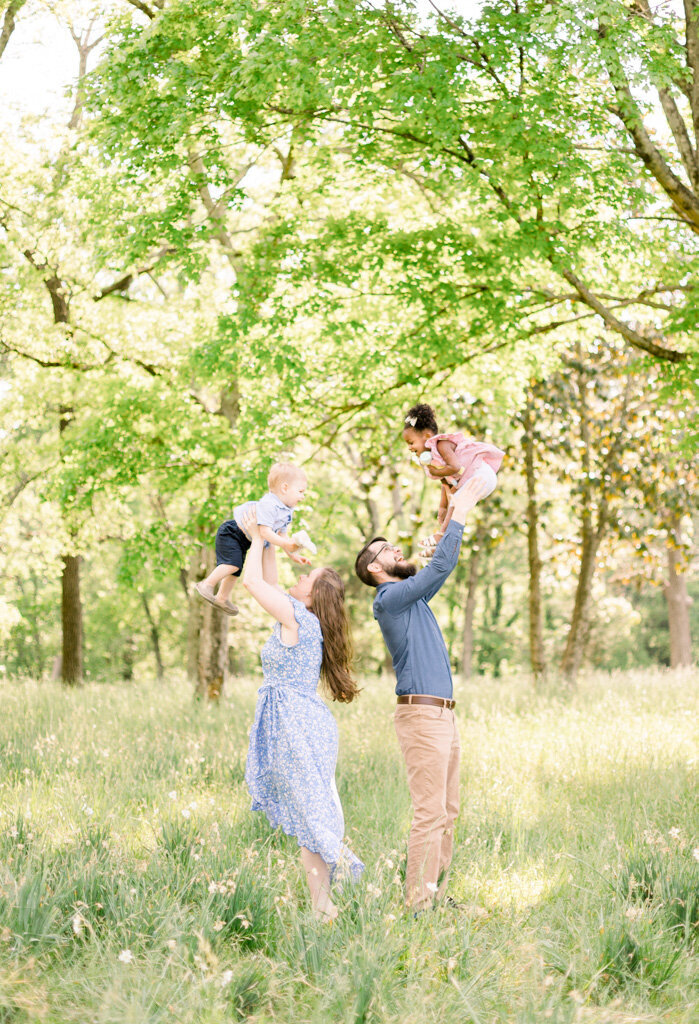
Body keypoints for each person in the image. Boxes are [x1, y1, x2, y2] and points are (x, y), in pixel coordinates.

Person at [354, 476, 487, 913]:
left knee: (448, 812)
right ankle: (416, 905)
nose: (397, 551)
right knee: (429, 813)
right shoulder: (389, 599)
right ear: (376, 569)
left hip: (443, 716)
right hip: (422, 717)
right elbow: (440, 567)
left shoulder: (409, 598)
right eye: (388, 551)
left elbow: (430, 564)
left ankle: (435, 897)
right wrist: (463, 510)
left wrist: (448, 508)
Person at [241, 510, 363, 922]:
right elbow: (272, 583)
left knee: (312, 816)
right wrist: (276, 540)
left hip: (298, 724)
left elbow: (255, 582)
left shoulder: (299, 619)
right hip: (299, 721)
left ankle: (332, 893)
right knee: (310, 815)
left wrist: (256, 537)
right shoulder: (298, 616)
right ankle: (322, 905)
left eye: (307, 579)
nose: (299, 576)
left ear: (311, 596)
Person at [195, 462, 315, 615]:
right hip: (233, 532)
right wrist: (286, 543)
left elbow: (282, 535)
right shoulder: (269, 504)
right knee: (232, 565)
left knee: (236, 569)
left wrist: (293, 555)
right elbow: (264, 532)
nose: (302, 496)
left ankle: (222, 597)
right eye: (300, 491)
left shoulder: (287, 511)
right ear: (285, 488)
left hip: (245, 538)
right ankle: (207, 584)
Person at [402, 403, 504, 552]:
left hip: (482, 475)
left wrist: (437, 472)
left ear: (428, 436)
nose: (410, 448)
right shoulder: (433, 461)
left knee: (457, 500)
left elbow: (455, 467)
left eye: (411, 442)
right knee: (456, 502)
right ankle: (444, 543)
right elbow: (446, 485)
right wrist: (443, 507)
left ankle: (441, 535)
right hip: (471, 482)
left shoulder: (442, 445)